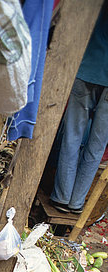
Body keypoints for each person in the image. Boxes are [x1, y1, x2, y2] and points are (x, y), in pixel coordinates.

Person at [50, 2, 108, 215]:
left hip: (86, 68)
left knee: (73, 135)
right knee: (98, 144)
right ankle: (76, 202)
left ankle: (62, 197)